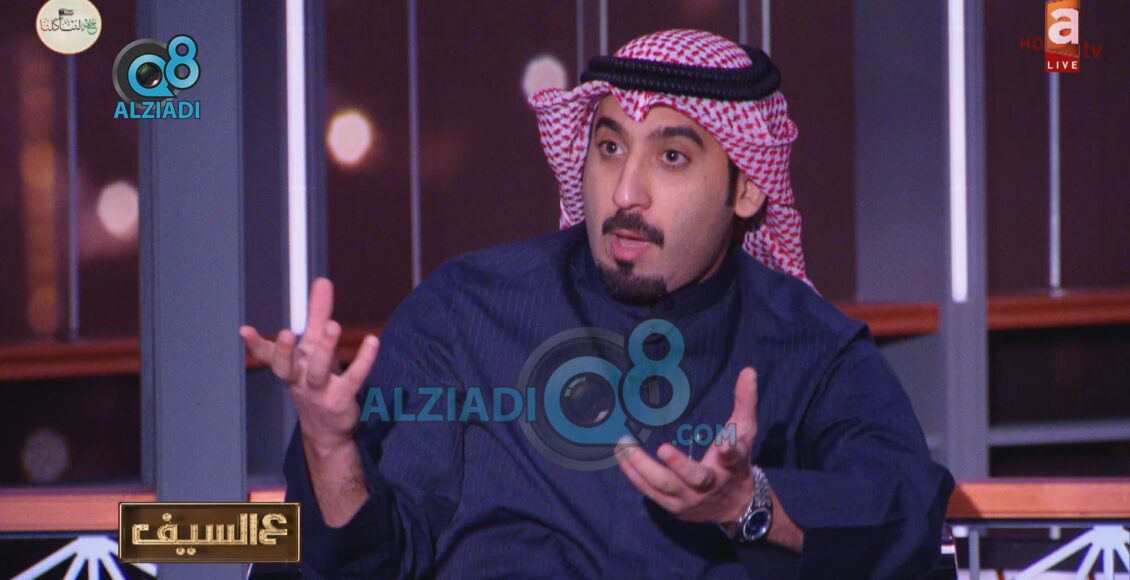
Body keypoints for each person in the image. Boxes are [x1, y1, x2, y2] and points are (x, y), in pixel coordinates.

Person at [240, 29, 954, 578]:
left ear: (745, 190)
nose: (625, 192)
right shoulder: (465, 311)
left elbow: (906, 515)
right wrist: (330, 450)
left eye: (671, 157)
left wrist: (749, 504)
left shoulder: (811, 346)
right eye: (610, 148)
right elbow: (373, 560)